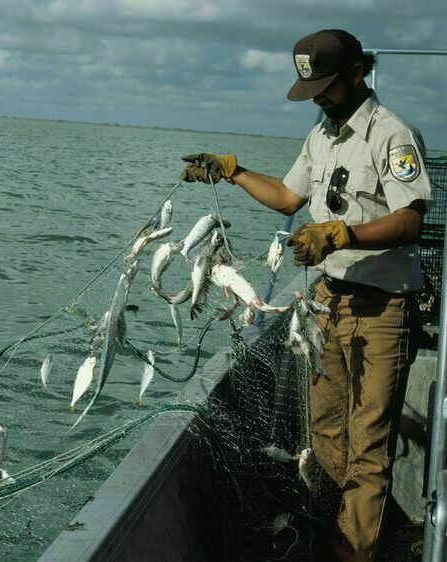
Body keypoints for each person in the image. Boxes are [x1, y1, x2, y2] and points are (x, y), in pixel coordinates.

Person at [181, 29, 432, 561]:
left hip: (381, 309)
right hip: (327, 304)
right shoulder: (323, 135)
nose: (317, 95)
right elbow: (290, 197)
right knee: (324, 436)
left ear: (358, 73)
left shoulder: (393, 135)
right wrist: (234, 171)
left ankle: (353, 553)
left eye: (326, 84)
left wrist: (344, 234)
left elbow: (411, 219)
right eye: (310, 86)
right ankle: (336, 536)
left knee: (366, 447)